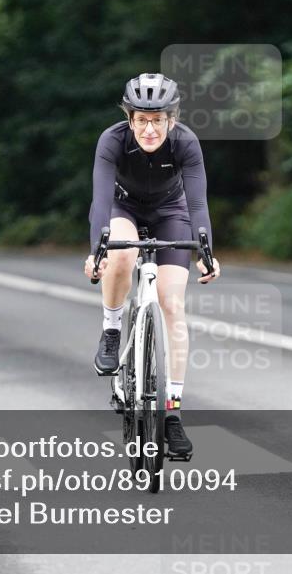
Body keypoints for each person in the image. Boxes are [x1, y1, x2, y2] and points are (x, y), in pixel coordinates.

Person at [84, 73, 221, 457]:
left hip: (170, 211)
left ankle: (172, 415)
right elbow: (99, 202)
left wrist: (206, 252)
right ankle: (112, 330)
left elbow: (197, 204)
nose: (149, 128)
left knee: (172, 304)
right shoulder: (111, 141)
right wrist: (98, 251)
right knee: (123, 254)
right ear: (129, 119)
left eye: (157, 119)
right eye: (141, 119)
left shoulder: (186, 142)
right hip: (122, 206)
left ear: (171, 119)